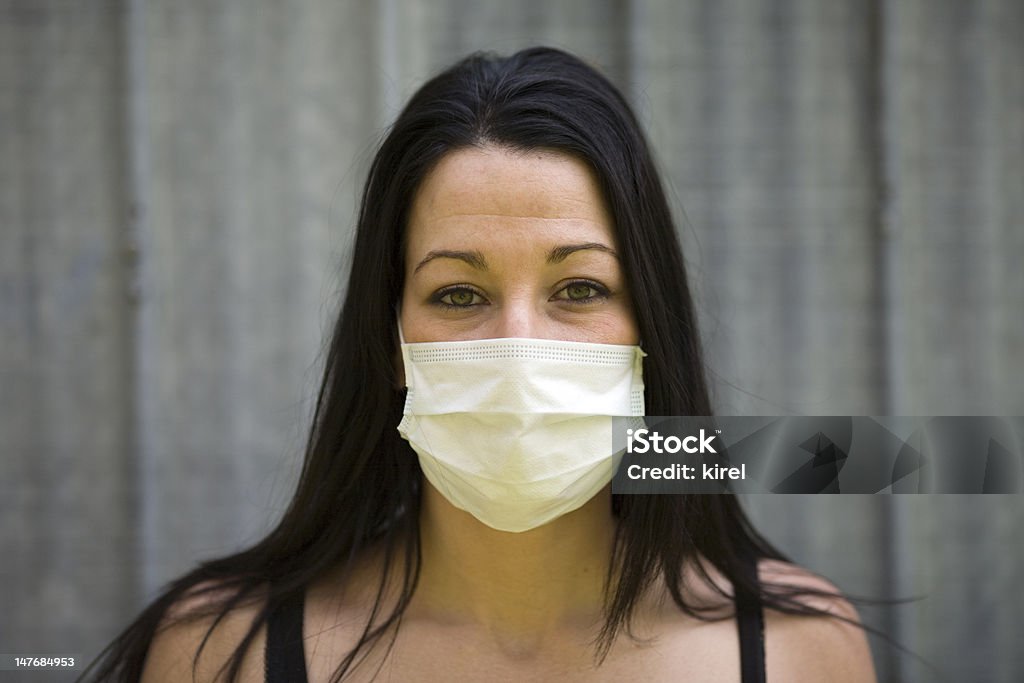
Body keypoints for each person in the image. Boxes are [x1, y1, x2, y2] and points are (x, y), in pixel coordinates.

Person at [80, 46, 876, 682]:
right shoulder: (220, 653)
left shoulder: (801, 648)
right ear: (390, 342)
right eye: (459, 294)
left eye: (578, 287)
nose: (520, 345)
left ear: (648, 334)